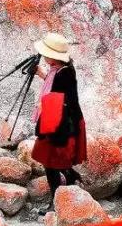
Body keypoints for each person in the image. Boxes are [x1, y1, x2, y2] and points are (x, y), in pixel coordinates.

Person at [30, 32, 87, 201]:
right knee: (53, 160)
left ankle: (56, 200)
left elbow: (61, 97)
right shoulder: (61, 70)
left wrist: (44, 104)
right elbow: (56, 86)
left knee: (51, 163)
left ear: (52, 57)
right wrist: (42, 74)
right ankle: (69, 176)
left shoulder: (65, 73)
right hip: (57, 121)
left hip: (61, 124)